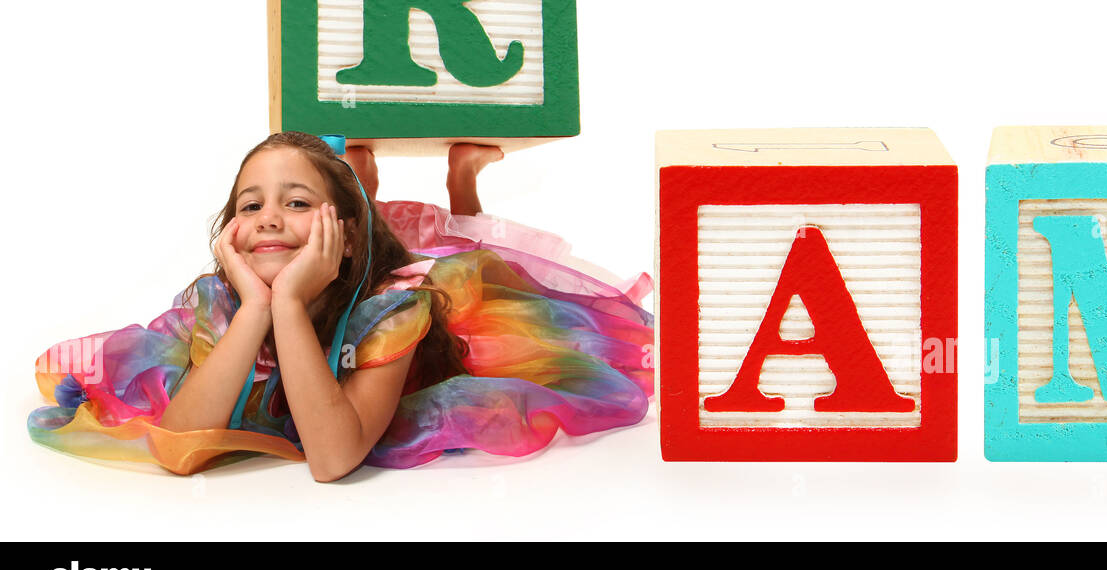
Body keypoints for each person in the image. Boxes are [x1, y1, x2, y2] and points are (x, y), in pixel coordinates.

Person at [28, 132, 654, 480]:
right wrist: (256, 310)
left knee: (462, 245)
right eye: (250, 207)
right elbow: (177, 446)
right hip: (342, 247)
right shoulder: (222, 302)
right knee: (366, 220)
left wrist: (292, 304)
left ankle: (459, 179)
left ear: (342, 233)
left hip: (402, 294)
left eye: (296, 203)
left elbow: (332, 459)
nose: (268, 218)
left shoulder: (395, 308)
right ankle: (358, 180)